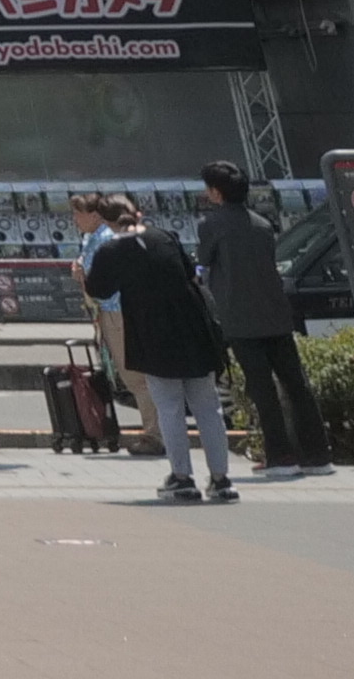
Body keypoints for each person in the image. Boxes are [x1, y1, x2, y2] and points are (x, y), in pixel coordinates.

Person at [83, 198, 236, 502]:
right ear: (137, 211)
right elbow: (190, 273)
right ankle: (221, 480)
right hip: (194, 328)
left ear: (106, 219)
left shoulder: (111, 250)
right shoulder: (164, 237)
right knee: (208, 407)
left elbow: (98, 289)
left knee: (169, 408)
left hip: (152, 332)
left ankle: (182, 478)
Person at [188, 166, 323, 472]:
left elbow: (204, 262)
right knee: (296, 384)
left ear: (216, 192)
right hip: (275, 313)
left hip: (241, 317)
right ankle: (317, 455)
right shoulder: (262, 224)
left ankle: (281, 456)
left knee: (262, 389)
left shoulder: (212, 224)